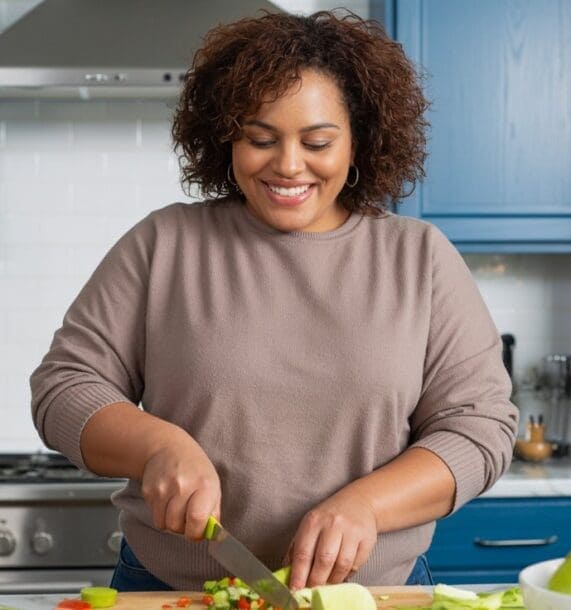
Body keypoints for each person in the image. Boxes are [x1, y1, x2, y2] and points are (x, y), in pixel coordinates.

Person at [30, 10, 518, 592]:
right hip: (172, 588)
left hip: (368, 594)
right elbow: (64, 385)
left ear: (359, 139)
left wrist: (367, 506)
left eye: (317, 141)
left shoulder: (419, 258)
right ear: (225, 136)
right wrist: (157, 446)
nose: (288, 165)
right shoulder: (164, 245)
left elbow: (480, 427)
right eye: (261, 139)